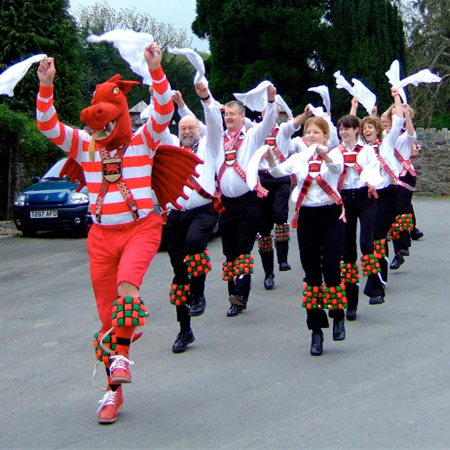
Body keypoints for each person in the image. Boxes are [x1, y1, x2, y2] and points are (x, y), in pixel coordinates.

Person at [36, 44, 198, 424]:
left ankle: (122, 354)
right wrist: (46, 85)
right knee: (107, 316)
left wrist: (155, 69)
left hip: (141, 228)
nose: (101, 123)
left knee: (128, 286)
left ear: (123, 114)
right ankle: (113, 392)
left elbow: (163, 110)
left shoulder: (143, 141)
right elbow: (47, 124)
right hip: (100, 236)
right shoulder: (85, 147)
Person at [266, 116, 347, 356]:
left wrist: (325, 155)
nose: (311, 136)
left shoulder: (336, 154)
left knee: (332, 270)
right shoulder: (298, 158)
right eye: (308, 132)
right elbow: (279, 171)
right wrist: (270, 158)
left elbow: (337, 168)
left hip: (332, 217)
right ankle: (316, 331)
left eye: (316, 132)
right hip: (307, 219)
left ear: (325, 136)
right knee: (311, 275)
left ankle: (338, 314)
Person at [165, 81, 223, 353]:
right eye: (183, 129)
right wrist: (159, 96)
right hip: (176, 215)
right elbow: (156, 127)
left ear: (199, 130)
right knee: (179, 273)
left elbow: (215, 122)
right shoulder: (172, 146)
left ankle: (199, 293)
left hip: (203, 210)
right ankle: (184, 329)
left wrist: (206, 98)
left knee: (195, 243)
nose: (187, 132)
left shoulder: (210, 146)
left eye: (191, 128)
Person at [217, 85, 277, 317]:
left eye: (233, 114)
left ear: (243, 117)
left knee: (243, 248)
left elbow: (268, 123)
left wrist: (271, 102)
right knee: (229, 251)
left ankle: (241, 295)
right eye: (226, 115)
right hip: (225, 204)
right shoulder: (217, 138)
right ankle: (234, 294)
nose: (229, 118)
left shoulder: (252, 136)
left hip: (248, 201)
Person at [256, 107, 312, 290]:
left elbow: (297, 122)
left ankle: (283, 259)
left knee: (280, 215)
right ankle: (268, 273)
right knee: (263, 228)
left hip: (280, 178)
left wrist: (306, 114)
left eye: (274, 112)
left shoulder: (284, 130)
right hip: (262, 178)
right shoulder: (254, 131)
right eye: (266, 112)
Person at [361, 88, 406, 302]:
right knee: (372, 239)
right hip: (369, 198)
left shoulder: (387, 141)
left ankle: (377, 286)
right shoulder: (363, 150)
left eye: (370, 126)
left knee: (377, 237)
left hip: (388, 194)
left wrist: (396, 95)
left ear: (377, 129)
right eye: (364, 128)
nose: (367, 130)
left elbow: (397, 120)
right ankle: (379, 279)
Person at [336, 113, 382, 321]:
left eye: (347, 128)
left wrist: (361, 169)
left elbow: (375, 172)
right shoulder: (335, 152)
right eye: (341, 129)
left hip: (365, 198)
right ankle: (351, 303)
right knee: (347, 251)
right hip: (345, 199)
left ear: (356, 130)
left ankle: (375, 288)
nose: (343, 132)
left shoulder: (367, 151)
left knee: (366, 243)